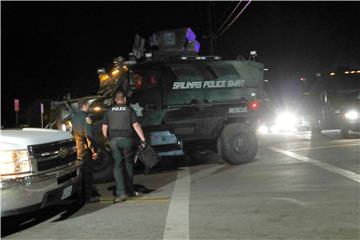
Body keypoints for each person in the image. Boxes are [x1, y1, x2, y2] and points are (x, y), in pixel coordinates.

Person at [102, 90, 146, 203]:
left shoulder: (109, 111)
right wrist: (143, 139)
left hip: (114, 141)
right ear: (125, 99)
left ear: (115, 100)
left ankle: (121, 193)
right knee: (128, 165)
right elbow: (136, 125)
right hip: (127, 140)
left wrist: (106, 139)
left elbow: (104, 127)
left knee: (117, 166)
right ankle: (130, 191)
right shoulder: (129, 110)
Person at [72, 99, 100, 203]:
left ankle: (79, 195)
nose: (88, 107)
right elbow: (89, 135)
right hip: (85, 149)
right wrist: (94, 150)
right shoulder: (86, 117)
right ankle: (88, 197)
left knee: (80, 174)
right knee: (88, 173)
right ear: (84, 106)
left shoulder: (73, 117)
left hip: (77, 149)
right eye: (87, 105)